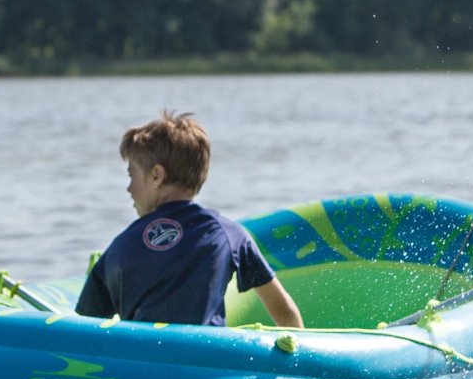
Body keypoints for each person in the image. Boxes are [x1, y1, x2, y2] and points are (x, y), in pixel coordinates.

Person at [75, 111, 304, 329]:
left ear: (156, 175)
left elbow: (82, 328)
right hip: (209, 362)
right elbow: (285, 312)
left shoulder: (122, 246)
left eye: (131, 175)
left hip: (142, 364)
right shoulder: (228, 235)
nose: (129, 188)